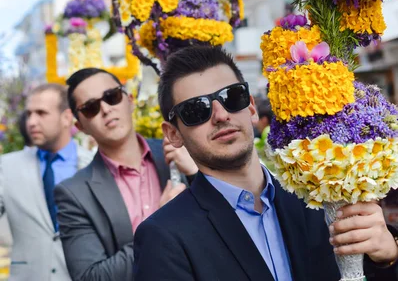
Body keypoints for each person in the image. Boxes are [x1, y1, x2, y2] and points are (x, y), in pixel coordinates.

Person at [134, 45, 398, 281]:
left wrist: (387, 258)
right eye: (196, 110)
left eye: (231, 96)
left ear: (250, 107)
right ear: (173, 134)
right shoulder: (164, 237)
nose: (221, 115)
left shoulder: (320, 198)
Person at [54, 67, 198, 281]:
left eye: (111, 97)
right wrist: (156, 224)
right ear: (80, 126)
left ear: (129, 100)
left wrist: (197, 174)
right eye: (91, 107)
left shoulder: (181, 153)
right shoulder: (75, 193)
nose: (105, 109)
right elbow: (90, 277)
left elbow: (227, 222)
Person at [0, 83, 93, 281]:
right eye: (29, 114)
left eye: (41, 113)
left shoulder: (93, 165)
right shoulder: (6, 167)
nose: (31, 122)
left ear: (67, 117)